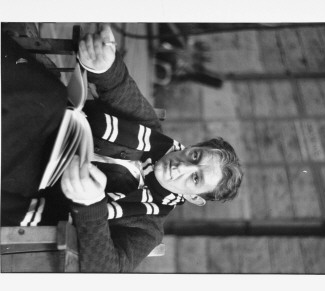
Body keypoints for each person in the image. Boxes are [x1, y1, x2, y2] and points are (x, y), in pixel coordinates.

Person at [1, 24, 243, 272]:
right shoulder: (151, 131)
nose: (182, 165)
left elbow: (107, 272)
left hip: (38, 181)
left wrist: (91, 205)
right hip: (45, 116)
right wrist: (104, 64)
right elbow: (120, 87)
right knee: (48, 99)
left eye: (195, 177)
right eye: (195, 155)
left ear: (194, 198)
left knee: (40, 105)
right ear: (193, 146)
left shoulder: (147, 227)